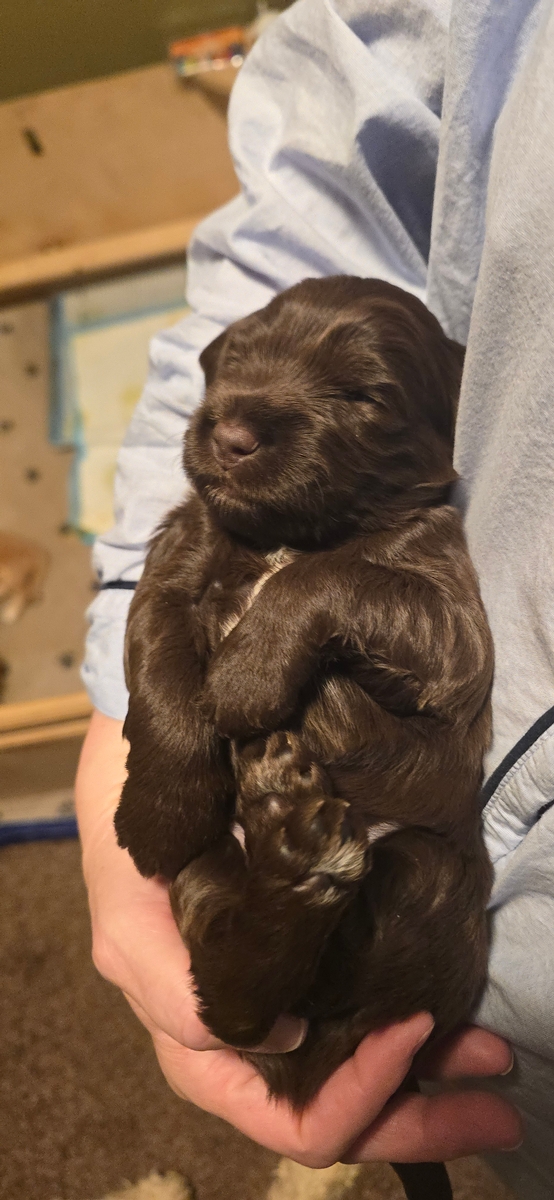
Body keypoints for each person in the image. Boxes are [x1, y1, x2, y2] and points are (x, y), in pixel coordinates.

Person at [76, 0, 554, 1195]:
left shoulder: (420, 534)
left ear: (443, 429)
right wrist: (157, 748)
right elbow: (161, 621)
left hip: (424, 868)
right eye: (231, 377)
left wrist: (310, 606)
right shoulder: (211, 521)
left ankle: (294, 914)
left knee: (419, 907)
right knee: (209, 891)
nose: (239, 422)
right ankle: (265, 944)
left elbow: (441, 657)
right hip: (273, 854)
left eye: (355, 397)